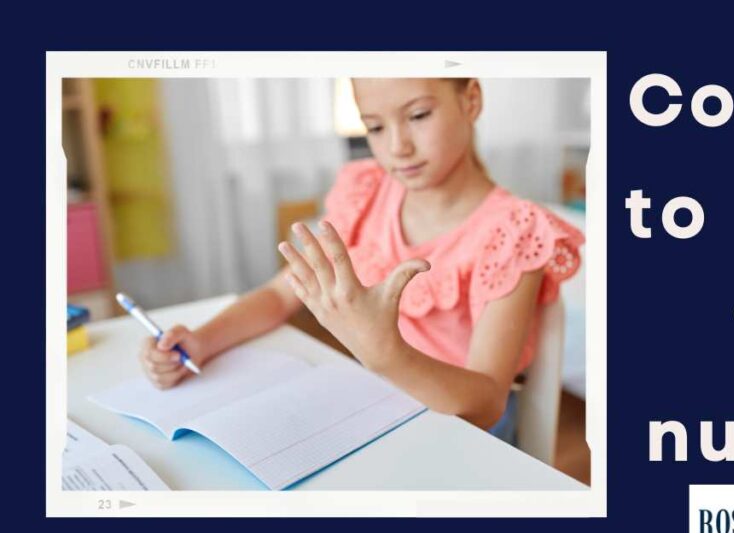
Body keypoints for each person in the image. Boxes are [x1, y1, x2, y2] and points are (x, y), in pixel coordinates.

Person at [138, 78, 584, 441]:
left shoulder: (515, 231)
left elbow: (486, 404)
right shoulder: (366, 192)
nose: (397, 147)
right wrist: (201, 341)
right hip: (373, 405)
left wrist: (385, 353)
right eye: (374, 127)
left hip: (459, 429)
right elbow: (278, 296)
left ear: (470, 100)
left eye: (418, 116)